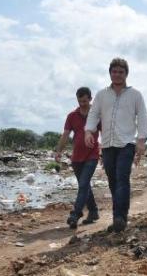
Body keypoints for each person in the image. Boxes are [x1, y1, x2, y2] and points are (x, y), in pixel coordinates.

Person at [85, 58, 147, 233]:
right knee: (113, 181)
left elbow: (142, 117)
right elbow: (94, 114)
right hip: (107, 144)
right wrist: (89, 131)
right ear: (110, 73)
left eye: (121, 72)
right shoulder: (102, 95)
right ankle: (118, 217)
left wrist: (141, 140)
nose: (117, 75)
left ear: (126, 74)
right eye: (114, 71)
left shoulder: (135, 95)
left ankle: (120, 217)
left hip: (126, 143)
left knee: (122, 178)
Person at [55, 87, 101, 229]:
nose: (82, 103)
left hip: (92, 155)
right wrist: (58, 151)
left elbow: (105, 133)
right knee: (84, 185)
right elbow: (65, 135)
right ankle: (93, 212)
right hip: (76, 157)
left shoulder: (96, 115)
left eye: (85, 101)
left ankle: (76, 213)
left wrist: (105, 152)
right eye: (80, 101)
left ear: (90, 99)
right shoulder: (72, 116)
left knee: (83, 184)